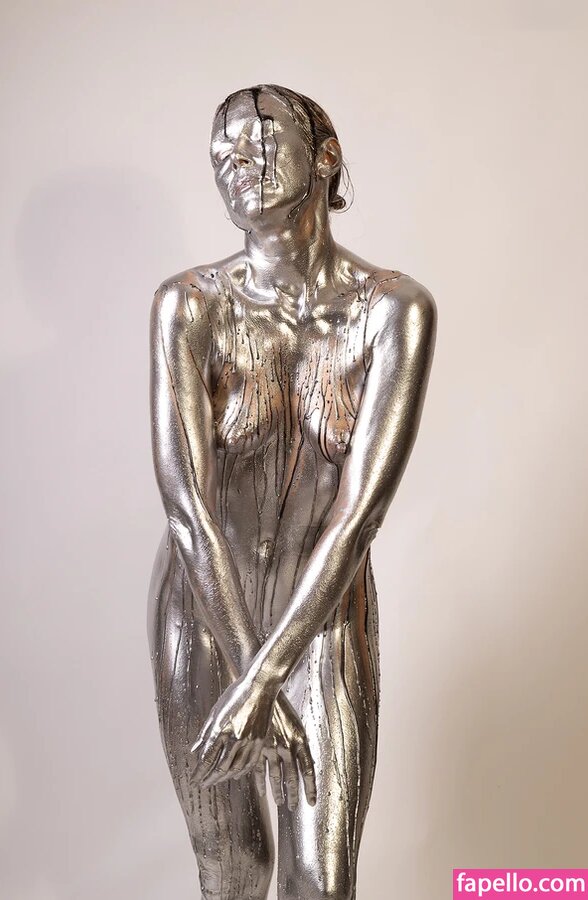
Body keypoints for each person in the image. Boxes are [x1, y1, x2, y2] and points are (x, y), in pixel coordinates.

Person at [147, 83, 437, 900]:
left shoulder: (393, 310)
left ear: (326, 157)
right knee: (235, 870)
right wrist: (249, 676)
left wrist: (267, 678)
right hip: (205, 614)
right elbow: (187, 510)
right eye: (222, 148)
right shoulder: (190, 305)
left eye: (260, 136)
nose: (235, 160)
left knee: (320, 880)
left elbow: (358, 517)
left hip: (325, 616)